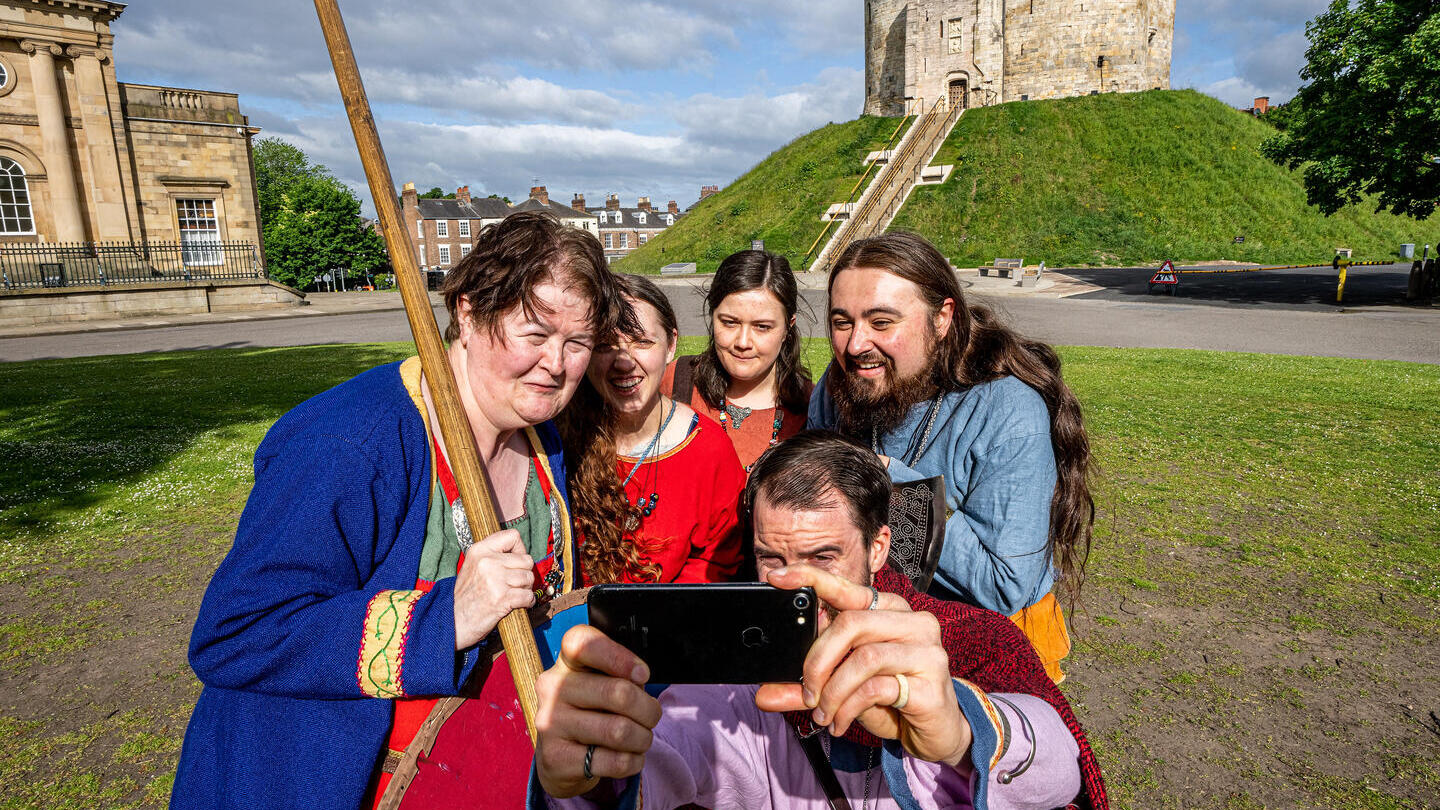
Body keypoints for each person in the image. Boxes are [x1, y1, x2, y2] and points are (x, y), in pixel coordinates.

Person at [171, 211, 636, 809]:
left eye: (577, 343)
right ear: (468, 312)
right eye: (534, 333)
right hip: (326, 784)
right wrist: (446, 619)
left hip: (477, 779)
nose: (556, 363)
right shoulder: (350, 442)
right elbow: (236, 635)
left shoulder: (541, 437)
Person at [529, 432, 1108, 810]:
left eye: (823, 556)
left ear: (879, 547)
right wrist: (588, 773)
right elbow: (670, 753)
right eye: (772, 558)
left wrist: (959, 734)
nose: (795, 585)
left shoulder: (967, 637)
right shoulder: (739, 675)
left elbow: (1063, 771)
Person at [808, 231, 1094, 683]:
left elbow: (1005, 587)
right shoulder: (838, 387)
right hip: (874, 634)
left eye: (881, 322)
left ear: (941, 319)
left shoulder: (1006, 410)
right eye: (842, 322)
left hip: (990, 651)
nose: (856, 344)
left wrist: (892, 484)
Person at [560, 273, 746, 584]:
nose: (624, 362)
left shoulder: (709, 451)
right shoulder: (559, 440)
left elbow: (715, 565)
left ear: (671, 345)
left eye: (642, 342)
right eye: (605, 345)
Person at [662, 250, 813, 472]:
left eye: (762, 327)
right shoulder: (677, 380)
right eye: (730, 322)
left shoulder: (813, 407)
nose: (743, 342)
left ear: (787, 328)